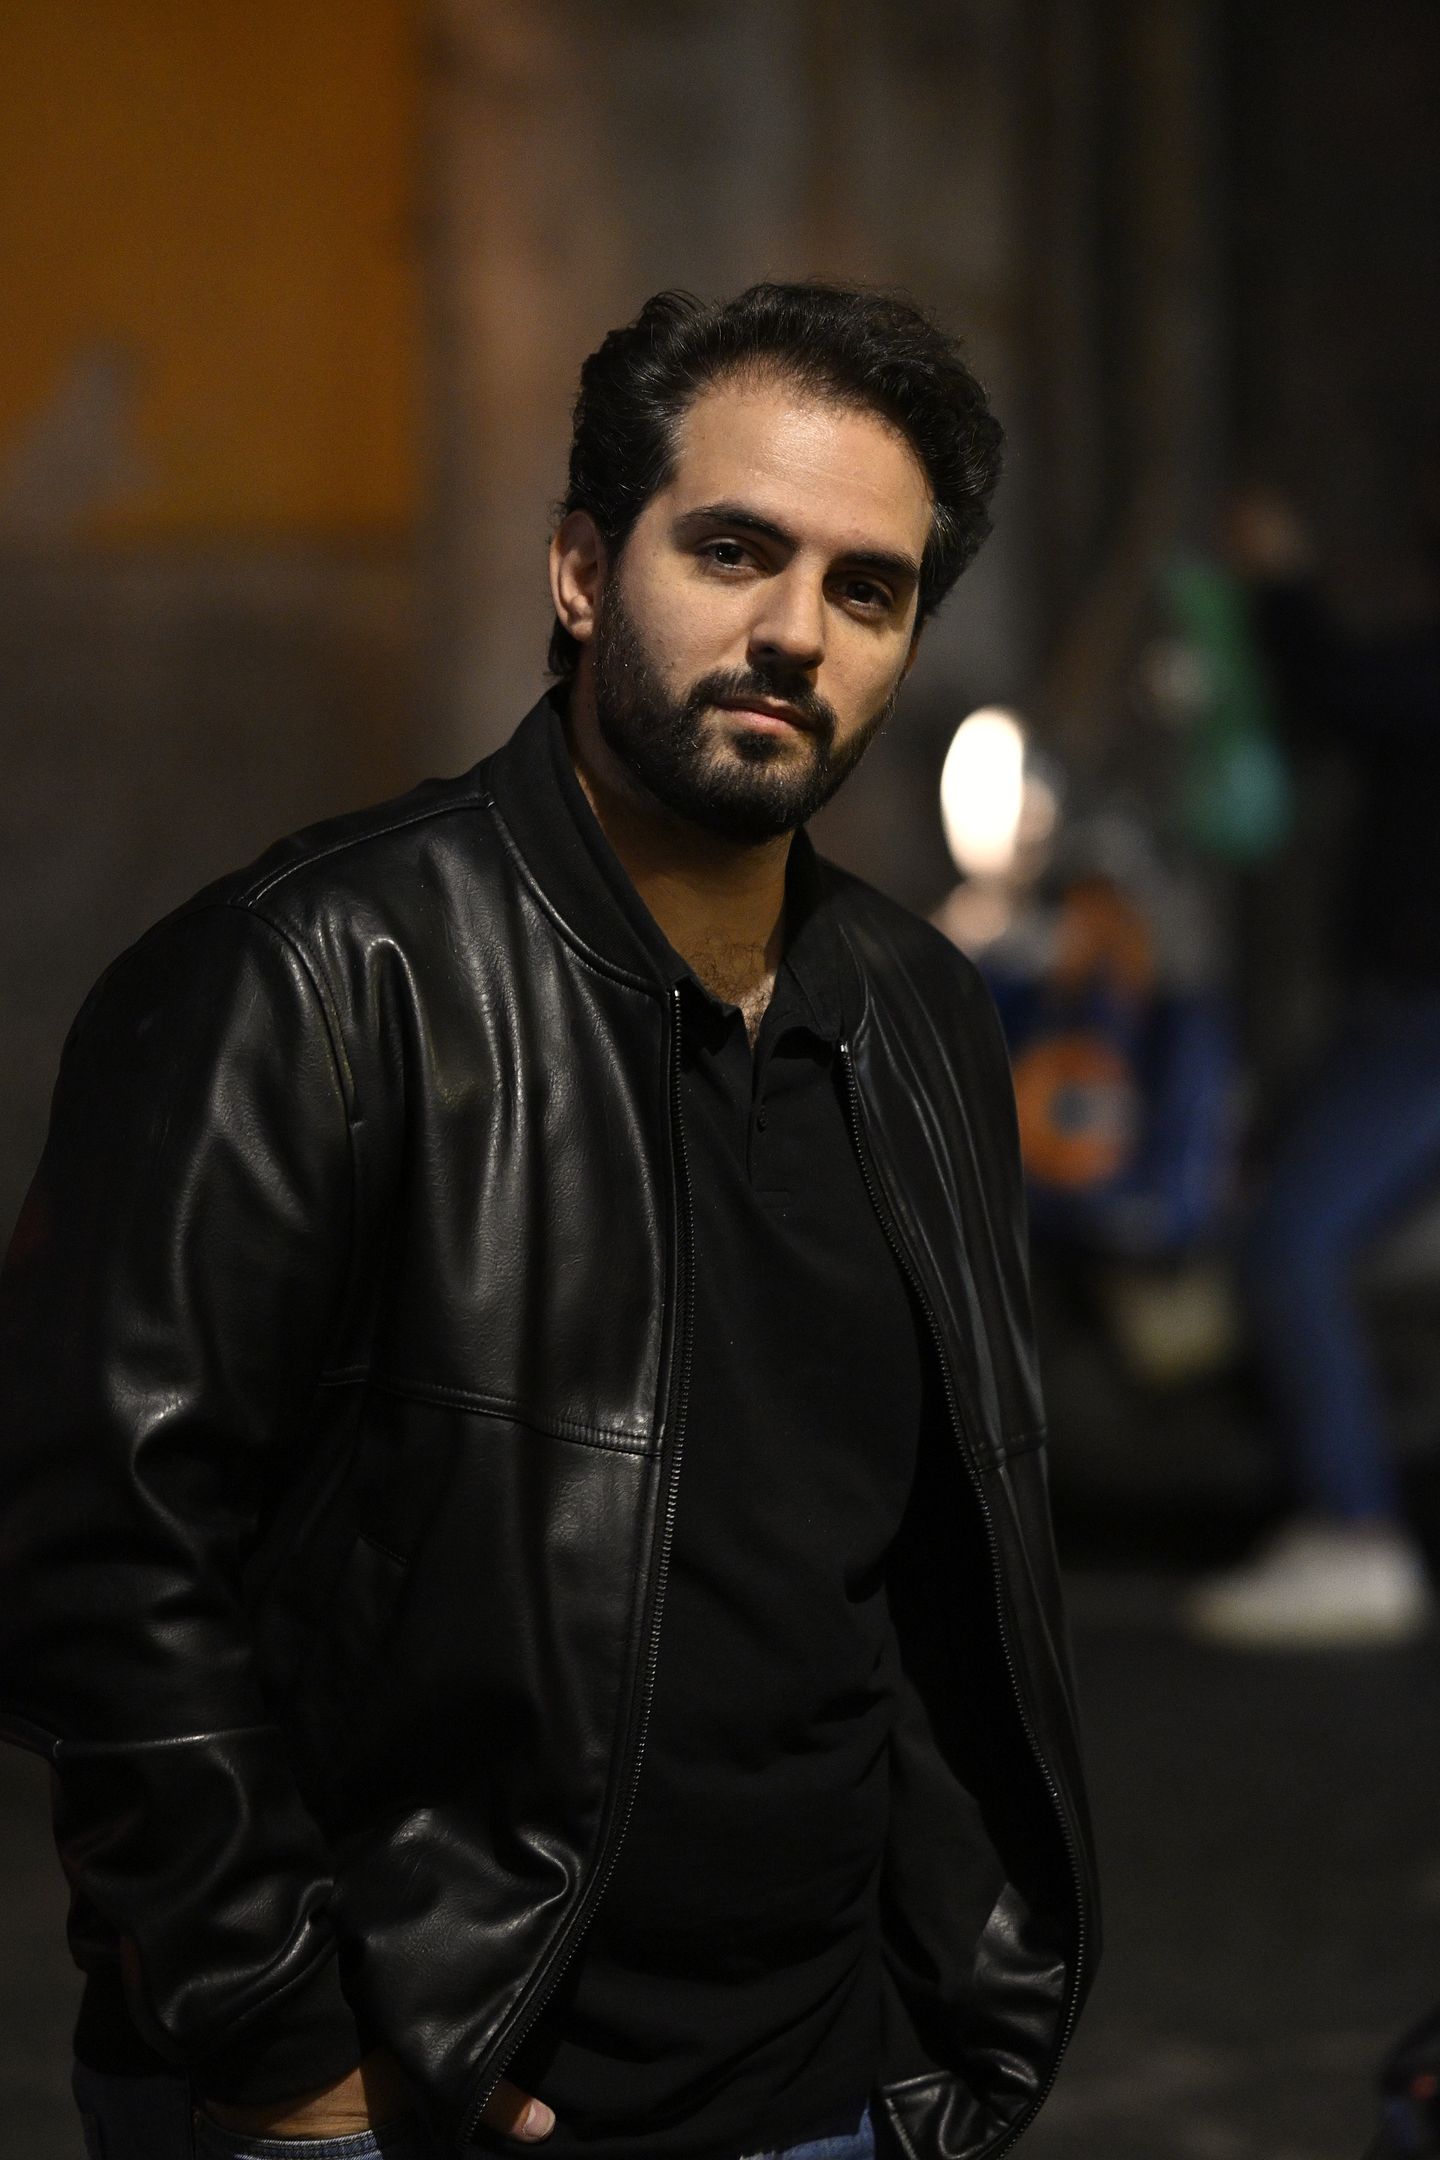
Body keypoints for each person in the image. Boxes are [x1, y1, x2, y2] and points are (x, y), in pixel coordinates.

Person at [0, 283, 1097, 2160]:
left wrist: (944, 2027)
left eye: (867, 588)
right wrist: (284, 2047)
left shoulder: (920, 1018)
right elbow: (91, 1552)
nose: (793, 631)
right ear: (584, 571)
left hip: (838, 2098)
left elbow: (932, 1588)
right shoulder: (314, 977)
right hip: (398, 2102)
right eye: (733, 551)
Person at [1186, 489, 1440, 1647]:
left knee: (1292, 1241)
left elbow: (1346, 687)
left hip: (1423, 1025)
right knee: (1250, 1178)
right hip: (1388, 1017)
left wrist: (1280, 582)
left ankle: (1354, 1529)